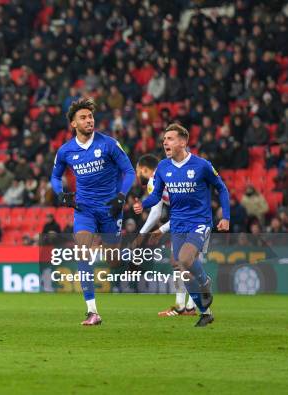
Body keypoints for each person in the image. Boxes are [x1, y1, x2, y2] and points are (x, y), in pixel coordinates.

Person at [134, 123, 230, 327]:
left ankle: (204, 282)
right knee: (181, 268)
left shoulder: (201, 165)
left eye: (170, 138)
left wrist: (226, 217)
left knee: (185, 259)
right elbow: (156, 196)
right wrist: (142, 204)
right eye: (164, 140)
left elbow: (221, 189)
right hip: (177, 224)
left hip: (199, 222)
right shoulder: (163, 167)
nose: (165, 142)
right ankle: (205, 312)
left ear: (183, 142)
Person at [50, 97, 135, 326]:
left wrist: (121, 197)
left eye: (90, 116)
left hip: (110, 209)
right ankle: (92, 311)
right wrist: (62, 193)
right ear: (73, 124)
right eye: (83, 117)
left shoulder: (108, 144)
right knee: (82, 251)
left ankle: (129, 259)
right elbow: (55, 176)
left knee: (113, 261)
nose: (89, 120)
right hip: (84, 209)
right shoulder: (66, 150)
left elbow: (130, 172)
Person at [134, 154, 197, 317]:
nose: (136, 175)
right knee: (182, 262)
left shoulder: (153, 181)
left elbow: (155, 212)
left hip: (193, 219)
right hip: (192, 217)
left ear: (144, 169)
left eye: (137, 171)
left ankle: (189, 306)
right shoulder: (166, 174)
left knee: (183, 263)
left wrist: (142, 234)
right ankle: (184, 306)